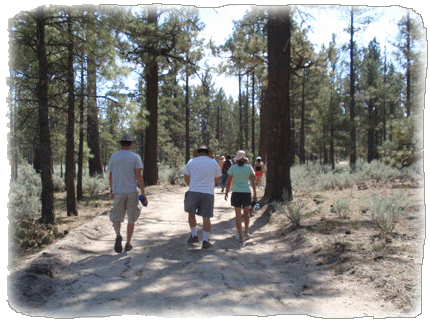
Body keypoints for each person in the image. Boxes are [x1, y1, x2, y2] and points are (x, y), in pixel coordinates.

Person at [108, 134, 147, 253]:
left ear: (120, 144)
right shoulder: (135, 157)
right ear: (131, 144)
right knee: (132, 218)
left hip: (118, 191)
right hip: (132, 192)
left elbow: (110, 176)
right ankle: (128, 243)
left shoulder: (114, 157)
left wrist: (112, 190)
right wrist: (143, 193)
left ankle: (118, 234)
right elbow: (139, 176)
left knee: (116, 216)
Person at [183, 144, 222, 249]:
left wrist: (191, 186)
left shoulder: (191, 161)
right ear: (207, 152)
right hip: (208, 193)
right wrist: (211, 186)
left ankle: (194, 235)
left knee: (191, 214)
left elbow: (186, 177)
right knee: (206, 217)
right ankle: (205, 240)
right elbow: (218, 177)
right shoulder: (213, 162)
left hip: (193, 191)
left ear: (198, 152)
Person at [224, 150, 257, 242]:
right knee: (246, 214)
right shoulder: (249, 168)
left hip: (236, 194)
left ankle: (240, 236)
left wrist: (226, 192)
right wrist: (255, 194)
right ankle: (246, 232)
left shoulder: (233, 168)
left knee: (238, 215)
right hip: (247, 193)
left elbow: (228, 182)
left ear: (236, 160)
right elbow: (253, 182)